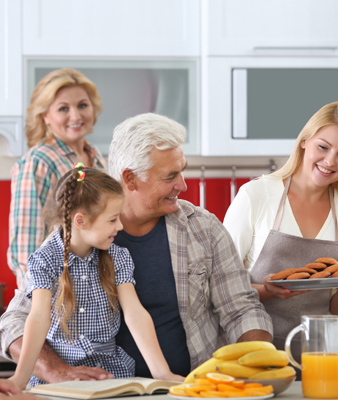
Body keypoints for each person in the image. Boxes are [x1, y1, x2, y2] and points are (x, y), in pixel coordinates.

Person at [0, 113, 273, 383]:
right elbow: (16, 321)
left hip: (186, 388)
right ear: (130, 179)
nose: (183, 184)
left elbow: (241, 309)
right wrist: (55, 372)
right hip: (94, 390)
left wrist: (255, 369)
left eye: (183, 170)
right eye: (170, 176)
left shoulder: (203, 229)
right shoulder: (70, 239)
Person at [224, 101, 338, 378]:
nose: (330, 161)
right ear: (304, 142)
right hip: (252, 356)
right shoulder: (256, 195)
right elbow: (221, 289)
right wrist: (267, 290)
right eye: (323, 147)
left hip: (319, 359)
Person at [7, 164, 184, 389]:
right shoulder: (45, 259)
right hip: (57, 383)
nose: (120, 226)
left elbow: (135, 314)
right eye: (112, 220)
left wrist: (162, 372)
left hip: (110, 378)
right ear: (80, 221)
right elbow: (38, 317)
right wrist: (19, 380)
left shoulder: (118, 256)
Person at [8, 68, 106, 288]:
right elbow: (26, 247)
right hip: (59, 289)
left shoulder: (95, 156)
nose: (76, 116)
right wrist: (38, 304)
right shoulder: (38, 162)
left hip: (95, 285)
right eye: (63, 108)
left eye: (82, 105)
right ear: (45, 116)